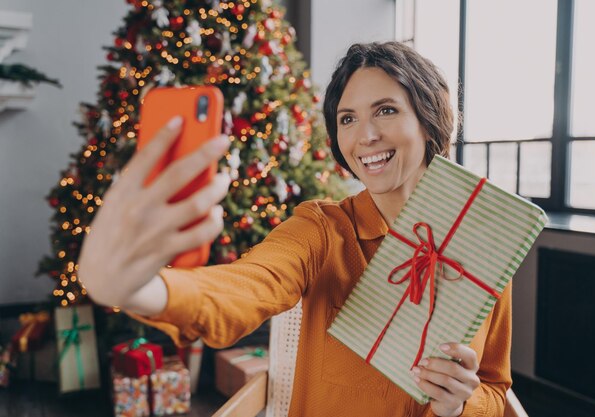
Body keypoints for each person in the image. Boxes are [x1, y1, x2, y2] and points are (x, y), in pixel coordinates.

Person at [78, 41, 511, 417]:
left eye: (386, 110)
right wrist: (137, 288)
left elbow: (495, 390)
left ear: (429, 118)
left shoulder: (485, 246)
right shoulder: (323, 230)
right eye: (347, 118)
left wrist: (458, 405)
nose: (366, 135)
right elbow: (249, 284)